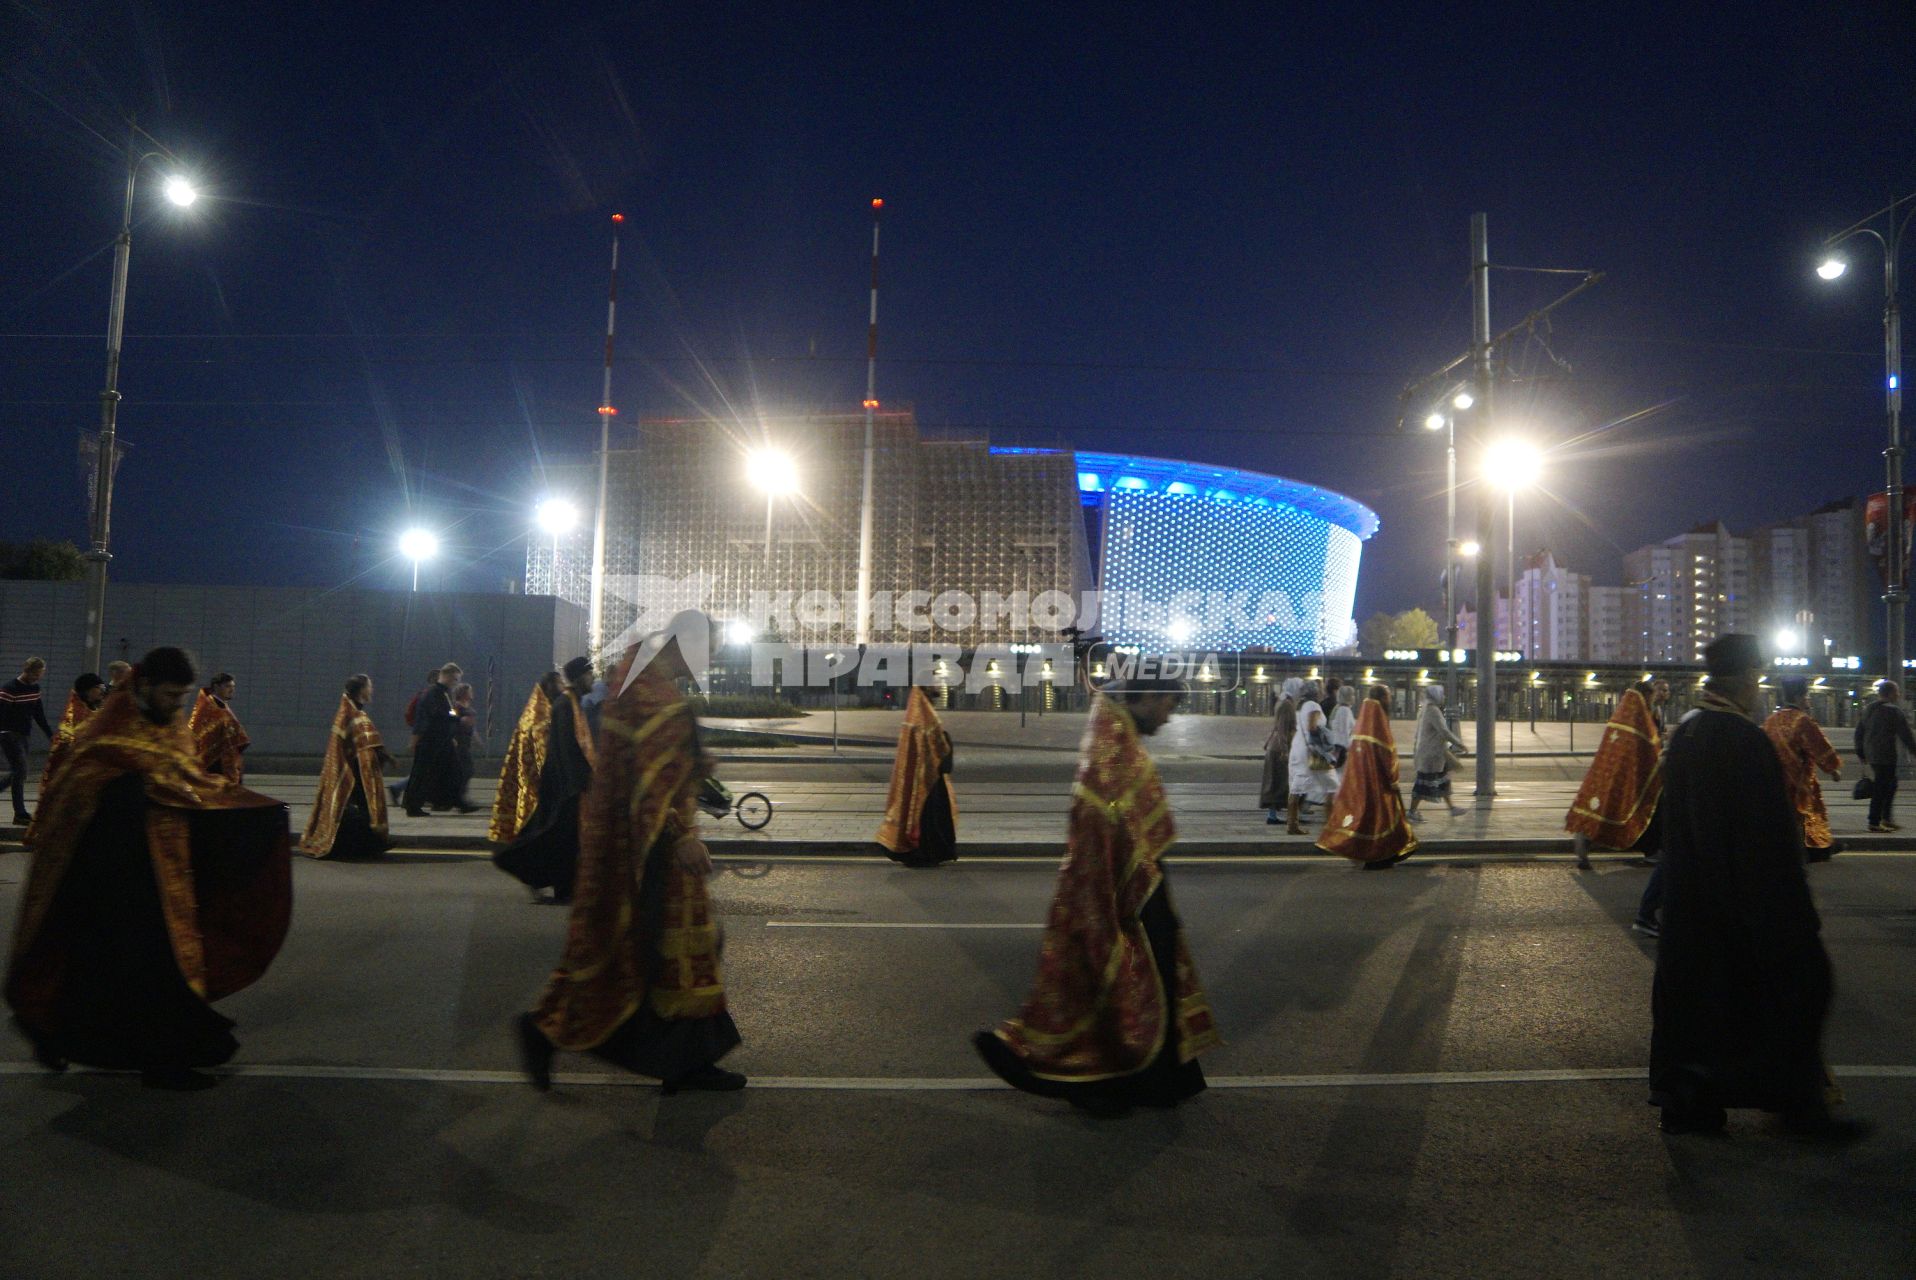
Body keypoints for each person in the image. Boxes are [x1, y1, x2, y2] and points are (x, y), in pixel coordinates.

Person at [5, 647, 292, 1091]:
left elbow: (189, 780)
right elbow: (77, 786)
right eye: (170, 694)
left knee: (136, 970)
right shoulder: (109, 726)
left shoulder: (173, 724)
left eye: (182, 696)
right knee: (128, 967)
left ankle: (79, 1038)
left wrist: (250, 811)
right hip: (112, 872)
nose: (177, 705)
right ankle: (154, 1061)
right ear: (143, 685)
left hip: (165, 869)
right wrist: (133, 791)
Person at [513, 621, 744, 1094]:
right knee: (648, 948)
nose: (711, 661)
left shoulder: (639, 682)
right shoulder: (651, 695)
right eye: (710, 651)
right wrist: (681, 836)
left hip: (637, 840)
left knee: (650, 949)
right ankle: (547, 1031)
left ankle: (684, 1060)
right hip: (652, 844)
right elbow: (650, 779)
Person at [973, 677, 1219, 1117]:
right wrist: (1127, 897)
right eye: (1168, 702)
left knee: (1147, 980)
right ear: (1141, 697)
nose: (1170, 713)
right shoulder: (1110, 751)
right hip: (1124, 893)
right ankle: (1102, 1080)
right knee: (1127, 981)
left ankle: (1151, 1081)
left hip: (1136, 885)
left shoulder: (1118, 738)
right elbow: (1107, 829)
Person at [1650, 633, 1864, 1141]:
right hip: (1741, 906)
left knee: (1694, 1010)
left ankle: (1688, 1104)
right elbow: (1765, 839)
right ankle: (1797, 1107)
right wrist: (1790, 910)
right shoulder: (1744, 741)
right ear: (1747, 677)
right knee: (1797, 989)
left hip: (1689, 908)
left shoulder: (1688, 733)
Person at [495, 658, 597, 904]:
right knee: (561, 838)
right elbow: (564, 750)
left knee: (564, 839)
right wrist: (576, 784)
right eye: (590, 674)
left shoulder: (572, 703)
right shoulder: (564, 705)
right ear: (580, 677)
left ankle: (564, 887)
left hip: (570, 784)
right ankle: (557, 886)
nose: (593, 679)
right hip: (565, 786)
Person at [1567, 683, 1664, 870]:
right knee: (1630, 810)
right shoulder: (1639, 721)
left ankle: (1586, 838)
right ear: (1644, 697)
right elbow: (1650, 750)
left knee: (1605, 807)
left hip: (1608, 774)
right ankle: (1651, 851)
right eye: (1651, 697)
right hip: (1633, 779)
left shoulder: (1620, 718)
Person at [1318, 685, 1417, 868]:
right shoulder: (1377, 722)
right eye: (1387, 696)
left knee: (1371, 821)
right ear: (1382, 699)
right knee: (1381, 821)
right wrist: (1393, 778)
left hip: (1364, 782)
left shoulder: (1364, 721)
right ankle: (1380, 856)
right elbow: (1386, 754)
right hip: (1380, 784)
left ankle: (1383, 854)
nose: (1390, 699)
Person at [298, 674, 393, 859]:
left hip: (356, 767)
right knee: (357, 809)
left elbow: (365, 741)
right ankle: (364, 846)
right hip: (350, 769)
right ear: (361, 690)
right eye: (369, 686)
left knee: (363, 807)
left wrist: (382, 754)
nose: (371, 690)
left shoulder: (354, 711)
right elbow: (358, 742)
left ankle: (373, 844)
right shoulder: (350, 713)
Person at [1764, 676, 1845, 861]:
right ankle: (1815, 849)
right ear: (1801, 696)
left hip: (1775, 779)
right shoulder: (1802, 720)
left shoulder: (1770, 720)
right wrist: (1833, 770)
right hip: (1799, 780)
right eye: (1806, 696)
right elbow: (1819, 747)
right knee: (1809, 812)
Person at [876, 685, 958, 867]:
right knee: (930, 819)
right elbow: (944, 764)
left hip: (921, 784)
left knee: (921, 817)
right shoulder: (931, 728)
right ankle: (929, 852)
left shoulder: (910, 727)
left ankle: (919, 851)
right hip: (932, 786)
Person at [491, 671, 562, 845]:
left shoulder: (536, 712)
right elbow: (543, 753)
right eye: (560, 683)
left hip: (532, 778)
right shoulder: (541, 719)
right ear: (551, 686)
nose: (563, 687)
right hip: (537, 781)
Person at [402, 662, 474, 816]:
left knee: (454, 771)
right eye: (455, 679)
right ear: (446, 676)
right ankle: (412, 806)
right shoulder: (432, 693)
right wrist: (415, 740)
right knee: (422, 774)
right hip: (431, 740)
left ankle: (458, 802)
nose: (457, 683)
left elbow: (449, 713)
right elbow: (425, 717)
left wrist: (456, 721)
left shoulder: (445, 694)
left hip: (443, 740)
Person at [1856, 679, 1916, 833]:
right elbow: (1906, 735)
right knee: (1881, 788)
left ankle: (1886, 818)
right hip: (1885, 755)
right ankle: (1874, 821)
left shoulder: (1868, 709)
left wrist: (1861, 752)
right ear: (1890, 694)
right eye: (1896, 691)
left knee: (1891, 785)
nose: (1899, 694)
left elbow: (1859, 732)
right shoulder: (1894, 711)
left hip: (1872, 754)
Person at [1, 656, 55, 826]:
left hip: (24, 734)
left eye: (40, 674)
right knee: (21, 769)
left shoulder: (35, 689)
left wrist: (50, 735)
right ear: (27, 670)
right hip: (8, 733)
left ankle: (19, 812)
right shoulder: (9, 689)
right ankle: (20, 813)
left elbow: (38, 714)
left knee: (20, 772)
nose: (38, 678)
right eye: (36, 674)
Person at [1408, 685, 1469, 820]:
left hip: (1432, 752)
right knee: (1422, 783)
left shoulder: (1425, 709)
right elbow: (1444, 731)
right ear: (1436, 696)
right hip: (1431, 753)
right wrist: (1459, 743)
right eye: (1442, 694)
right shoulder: (1433, 710)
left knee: (1443, 779)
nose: (1443, 697)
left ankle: (1452, 808)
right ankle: (1411, 812)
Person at [1286, 680, 1339, 834]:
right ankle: (1331, 826)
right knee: (1333, 786)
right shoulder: (1313, 706)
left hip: (1299, 747)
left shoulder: (1300, 706)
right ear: (1315, 692)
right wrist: (1324, 746)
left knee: (1296, 787)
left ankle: (1292, 824)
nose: (1323, 692)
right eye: (1321, 689)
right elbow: (1312, 727)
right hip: (1313, 750)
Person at [188, 672, 250, 783]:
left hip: (225, 759)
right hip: (215, 763)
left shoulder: (221, 706)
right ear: (216, 687)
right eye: (227, 686)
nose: (231, 690)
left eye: (233, 686)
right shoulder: (208, 708)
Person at [1260, 679, 1299, 824]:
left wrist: (1267, 742)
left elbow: (1276, 726)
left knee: (1275, 782)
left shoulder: (1282, 702)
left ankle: (1273, 815)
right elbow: (1282, 728)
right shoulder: (1287, 705)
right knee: (1279, 782)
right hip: (1279, 749)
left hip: (1274, 746)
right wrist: (1284, 750)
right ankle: (1274, 816)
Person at [450, 681, 477, 798]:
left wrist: (476, 738)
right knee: (467, 769)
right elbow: (451, 719)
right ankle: (459, 794)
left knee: (465, 769)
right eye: (469, 691)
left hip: (466, 740)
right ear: (463, 693)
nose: (471, 693)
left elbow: (471, 725)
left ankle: (459, 793)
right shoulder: (456, 706)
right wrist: (461, 720)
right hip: (459, 741)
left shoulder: (468, 706)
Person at [1327, 680, 1356, 774]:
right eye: (1352, 695)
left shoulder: (1339, 708)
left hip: (1337, 748)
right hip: (1342, 750)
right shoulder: (1345, 711)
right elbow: (1343, 733)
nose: (1354, 697)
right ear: (1347, 696)